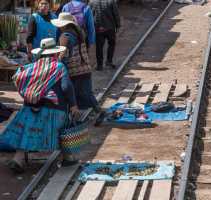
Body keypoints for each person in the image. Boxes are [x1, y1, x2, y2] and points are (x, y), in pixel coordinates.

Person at [0, 38, 80, 173]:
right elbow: (66, 87)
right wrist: (73, 105)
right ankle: (69, 157)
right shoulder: (58, 66)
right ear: (54, 53)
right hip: (54, 109)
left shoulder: (32, 66)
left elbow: (18, 77)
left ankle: (17, 159)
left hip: (30, 107)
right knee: (63, 130)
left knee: (25, 132)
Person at [51, 12, 99, 112]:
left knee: (73, 96)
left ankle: (80, 116)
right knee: (87, 94)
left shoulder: (66, 35)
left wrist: (59, 60)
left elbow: (64, 52)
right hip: (84, 68)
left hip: (74, 71)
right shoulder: (78, 32)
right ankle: (98, 112)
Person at [89, 0, 121, 70]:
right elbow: (116, 14)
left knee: (99, 47)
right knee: (111, 44)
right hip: (110, 28)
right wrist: (118, 25)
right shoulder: (111, 1)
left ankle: (99, 65)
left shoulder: (92, 2)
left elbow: (90, 15)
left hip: (98, 28)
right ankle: (109, 61)